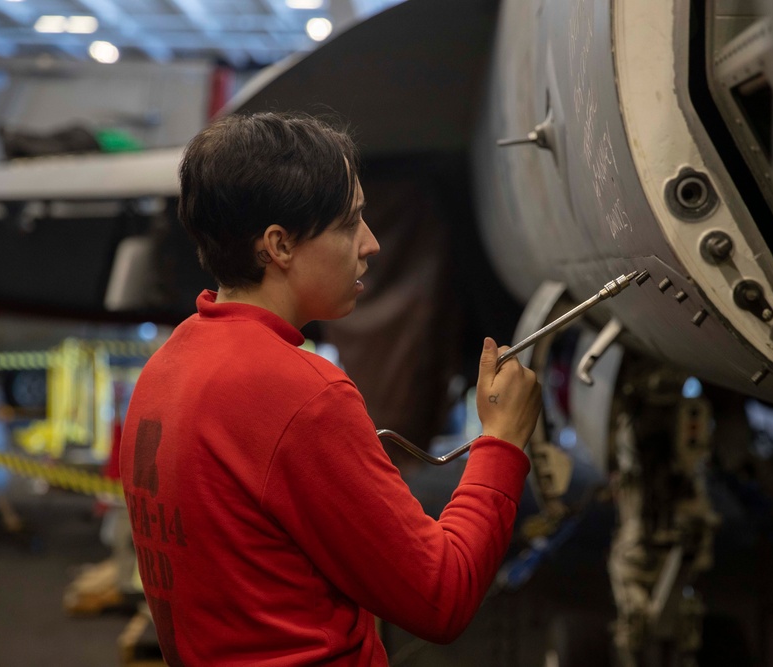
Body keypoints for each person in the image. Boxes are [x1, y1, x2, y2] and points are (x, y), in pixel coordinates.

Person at [119, 112, 542, 666]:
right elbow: (442, 597)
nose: (371, 244)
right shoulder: (300, 395)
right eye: (349, 224)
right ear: (279, 245)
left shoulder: (166, 369)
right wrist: (502, 442)